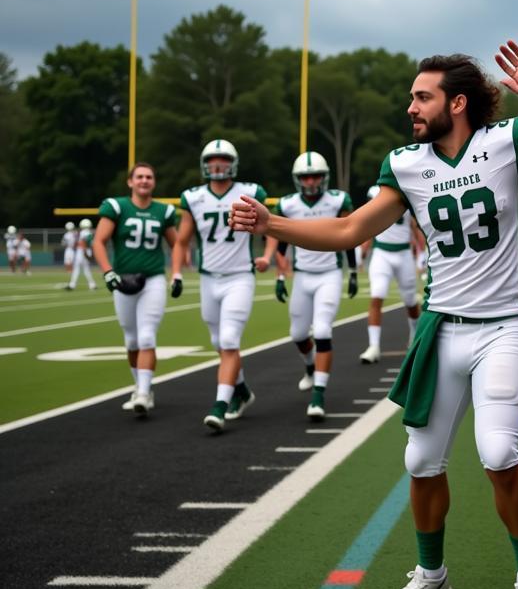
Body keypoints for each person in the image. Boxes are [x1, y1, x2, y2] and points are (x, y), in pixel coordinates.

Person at [230, 46, 518, 589]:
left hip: (503, 325)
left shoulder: (507, 141)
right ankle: (432, 575)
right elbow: (351, 228)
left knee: (499, 453)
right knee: (421, 461)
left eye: (421, 96)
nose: (410, 107)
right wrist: (272, 225)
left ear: (456, 103)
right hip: (441, 328)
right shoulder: (405, 164)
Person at [171, 139, 275, 433]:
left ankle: (219, 405)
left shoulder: (250, 193)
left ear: (233, 163)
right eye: (213, 160)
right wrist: (176, 273)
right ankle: (241, 391)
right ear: (206, 164)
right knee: (219, 343)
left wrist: (267, 256)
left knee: (229, 340)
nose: (218, 165)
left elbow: (270, 227)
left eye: (224, 160)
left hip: (240, 276)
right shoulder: (193, 197)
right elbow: (182, 240)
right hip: (208, 278)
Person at [275, 151, 358, 421]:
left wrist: (353, 271)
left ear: (324, 178)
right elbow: (281, 244)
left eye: (315, 176)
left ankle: (318, 395)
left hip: (329, 274)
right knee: (298, 334)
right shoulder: (288, 205)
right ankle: (310, 367)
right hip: (302, 274)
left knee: (322, 330)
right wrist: (280, 276)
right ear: (298, 179)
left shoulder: (337, 200)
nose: (310, 182)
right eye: (305, 177)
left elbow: (349, 235)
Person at [92, 163, 178, 416]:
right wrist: (108, 271)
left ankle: (142, 392)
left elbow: (178, 245)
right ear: (130, 182)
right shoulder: (117, 207)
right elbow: (99, 240)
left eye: (149, 177)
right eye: (139, 177)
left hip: (152, 279)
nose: (144, 181)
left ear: (154, 182)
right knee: (131, 340)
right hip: (123, 279)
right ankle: (142, 387)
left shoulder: (163, 211)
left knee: (147, 336)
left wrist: (177, 273)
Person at [358, 184, 421, 365]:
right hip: (381, 254)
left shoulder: (406, 192)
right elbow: (368, 227)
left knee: (410, 301)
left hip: (403, 254)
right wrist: (362, 252)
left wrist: (421, 254)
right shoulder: (375, 193)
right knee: (376, 296)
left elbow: (415, 227)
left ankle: (414, 338)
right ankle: (374, 346)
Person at [68, 219, 97, 290]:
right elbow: (90, 244)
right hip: (86, 251)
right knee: (86, 269)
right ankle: (92, 284)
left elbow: (84, 243)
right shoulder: (89, 233)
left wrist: (84, 252)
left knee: (77, 269)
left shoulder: (83, 233)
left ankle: (72, 285)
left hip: (81, 251)